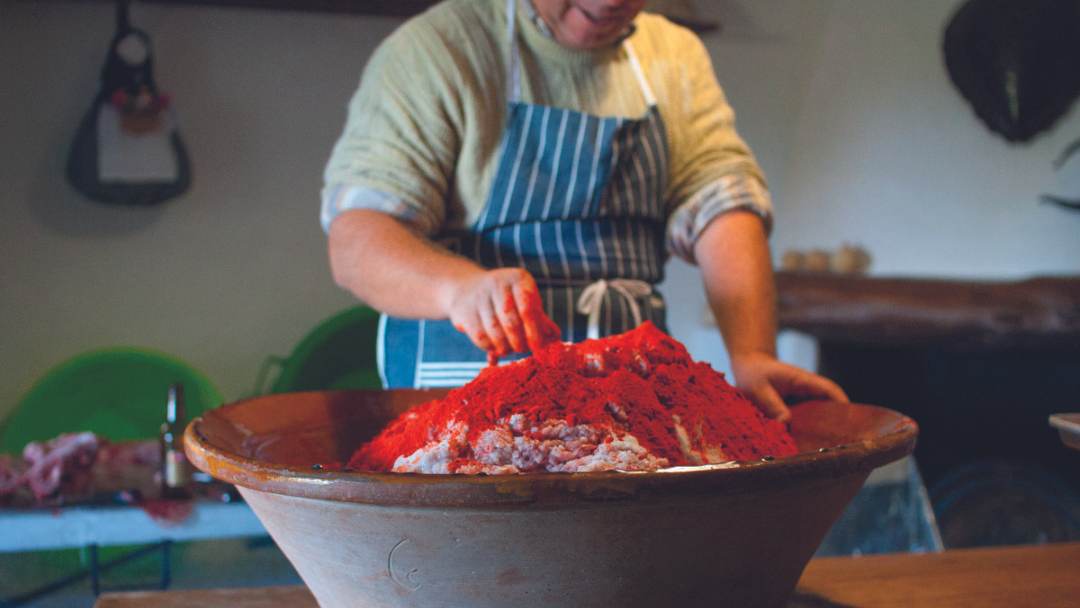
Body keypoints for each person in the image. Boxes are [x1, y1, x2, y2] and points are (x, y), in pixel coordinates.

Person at [321, 0, 847, 421]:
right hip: (470, 414)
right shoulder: (438, 50)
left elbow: (722, 204)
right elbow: (357, 239)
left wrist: (751, 354)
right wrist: (457, 289)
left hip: (629, 411)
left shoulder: (673, 55)